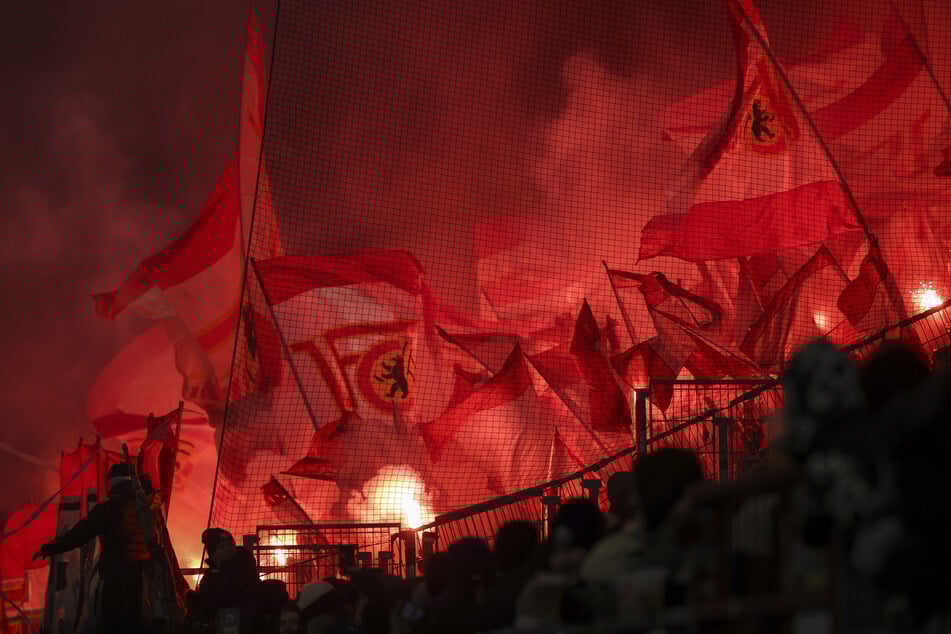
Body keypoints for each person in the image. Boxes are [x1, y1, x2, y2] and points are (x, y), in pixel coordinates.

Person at [34, 462, 152, 634]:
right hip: (142, 583)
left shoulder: (106, 510)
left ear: (112, 484)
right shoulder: (145, 509)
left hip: (114, 582)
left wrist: (48, 549)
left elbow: (78, 535)